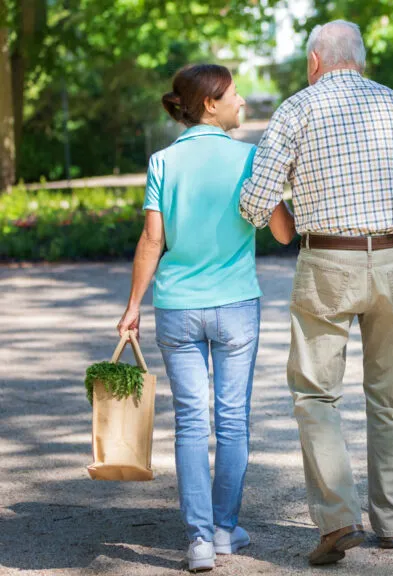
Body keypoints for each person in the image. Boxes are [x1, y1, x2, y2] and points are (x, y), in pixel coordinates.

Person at [239, 20, 393, 566]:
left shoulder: (296, 108)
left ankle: (338, 520)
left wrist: (285, 213)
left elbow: (254, 202)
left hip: (328, 260)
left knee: (316, 395)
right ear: (359, 59)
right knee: (390, 397)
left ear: (315, 60)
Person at [116, 64, 295, 572]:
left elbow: (153, 240)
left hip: (176, 307)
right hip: (236, 305)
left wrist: (132, 306)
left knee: (192, 422)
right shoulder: (251, 158)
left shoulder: (163, 161)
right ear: (210, 104)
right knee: (232, 419)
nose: (243, 102)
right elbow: (283, 233)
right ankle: (223, 530)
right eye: (235, 93)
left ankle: (197, 540)